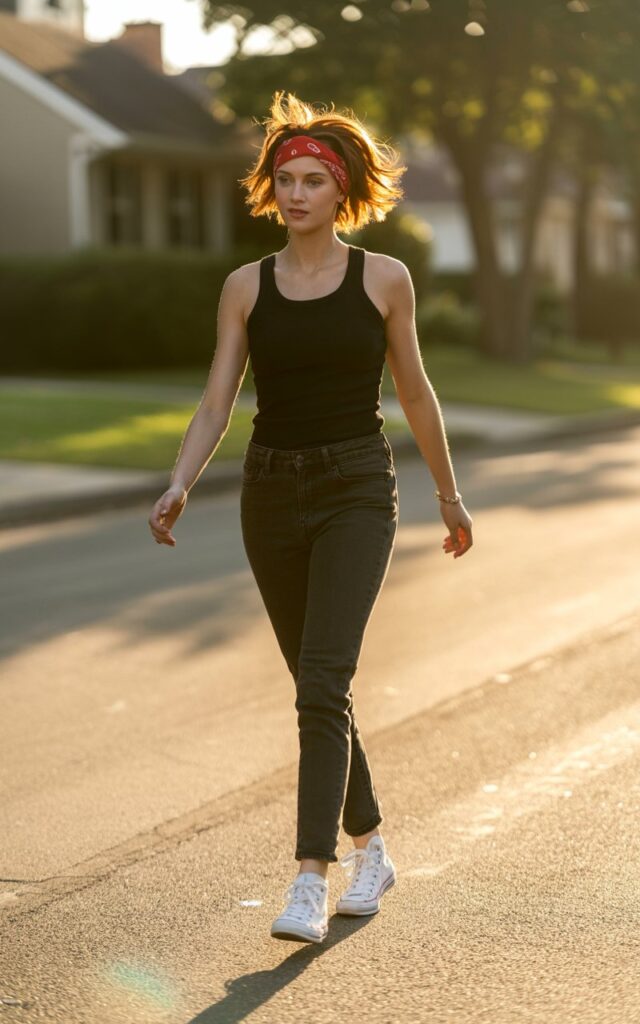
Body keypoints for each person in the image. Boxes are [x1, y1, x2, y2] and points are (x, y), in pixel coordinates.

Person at [148, 91, 473, 945]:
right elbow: (219, 399)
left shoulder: (383, 279)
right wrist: (180, 480)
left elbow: (414, 392)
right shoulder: (245, 288)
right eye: (283, 180)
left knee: (321, 685)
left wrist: (448, 493)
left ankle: (308, 877)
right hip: (271, 490)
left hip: (358, 488)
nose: (293, 195)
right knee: (316, 687)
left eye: (310, 181)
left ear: (340, 192)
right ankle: (373, 848)